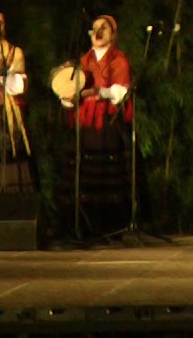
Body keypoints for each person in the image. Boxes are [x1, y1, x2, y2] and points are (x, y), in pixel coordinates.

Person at [59, 14, 133, 236]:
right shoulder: (81, 62)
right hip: (85, 122)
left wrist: (99, 91)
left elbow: (120, 92)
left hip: (106, 123)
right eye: (95, 28)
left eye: (104, 28)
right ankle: (83, 224)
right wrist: (67, 95)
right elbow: (68, 90)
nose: (98, 32)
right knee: (83, 168)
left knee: (106, 171)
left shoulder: (119, 60)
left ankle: (110, 225)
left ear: (113, 34)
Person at [0, 8, 32, 193]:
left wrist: (2, 74)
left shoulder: (14, 52)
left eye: (1, 22)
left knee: (8, 155)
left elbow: (21, 85)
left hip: (8, 115)